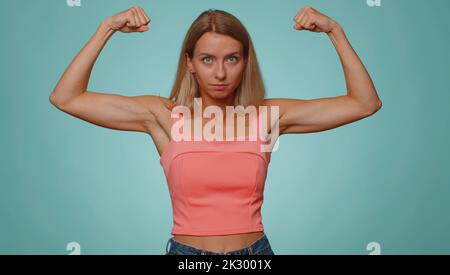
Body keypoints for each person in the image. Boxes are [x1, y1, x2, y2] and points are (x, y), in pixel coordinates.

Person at [49, 5, 382, 255]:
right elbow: (66, 97)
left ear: (245, 61)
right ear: (189, 63)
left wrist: (334, 30)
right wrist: (106, 27)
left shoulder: (266, 116)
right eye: (208, 59)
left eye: (232, 59)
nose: (220, 73)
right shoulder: (163, 116)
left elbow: (364, 103)